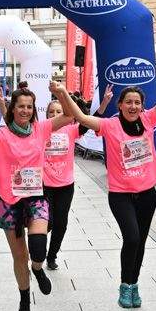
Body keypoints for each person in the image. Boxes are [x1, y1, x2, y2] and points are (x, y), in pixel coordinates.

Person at [52, 60, 156, 309]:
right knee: (131, 238)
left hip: (147, 193)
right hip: (121, 194)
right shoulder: (109, 125)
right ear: (120, 105)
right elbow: (79, 116)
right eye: (128, 102)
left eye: (137, 102)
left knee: (141, 241)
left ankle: (134, 285)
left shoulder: (148, 119)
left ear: (142, 105)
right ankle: (125, 285)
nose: (133, 106)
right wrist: (62, 93)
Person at [0, 87, 84, 311]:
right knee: (20, 256)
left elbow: (70, 116)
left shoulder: (42, 129)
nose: (25, 111)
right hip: (9, 203)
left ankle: (38, 269)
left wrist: (60, 93)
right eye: (21, 106)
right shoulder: (1, 135)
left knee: (38, 248)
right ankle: (24, 298)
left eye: (29, 107)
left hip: (36, 198)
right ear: (12, 108)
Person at [43, 89, 104, 271]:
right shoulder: (41, 130)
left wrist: (104, 104)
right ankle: (37, 243)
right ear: (46, 116)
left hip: (65, 185)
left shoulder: (71, 130)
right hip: (44, 185)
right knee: (49, 222)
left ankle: (52, 256)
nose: (55, 115)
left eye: (58, 112)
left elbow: (90, 121)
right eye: (51, 113)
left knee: (61, 224)